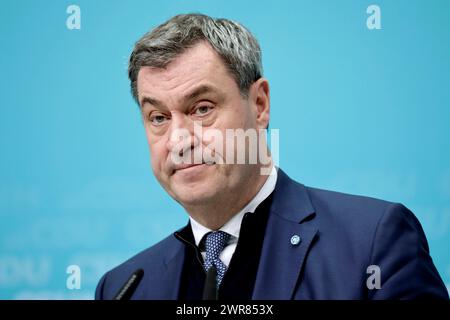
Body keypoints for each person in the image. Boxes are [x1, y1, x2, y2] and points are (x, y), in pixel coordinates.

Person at [95, 13, 448, 300]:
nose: (178, 140)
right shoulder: (124, 288)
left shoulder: (372, 244)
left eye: (201, 108)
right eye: (158, 117)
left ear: (260, 104)